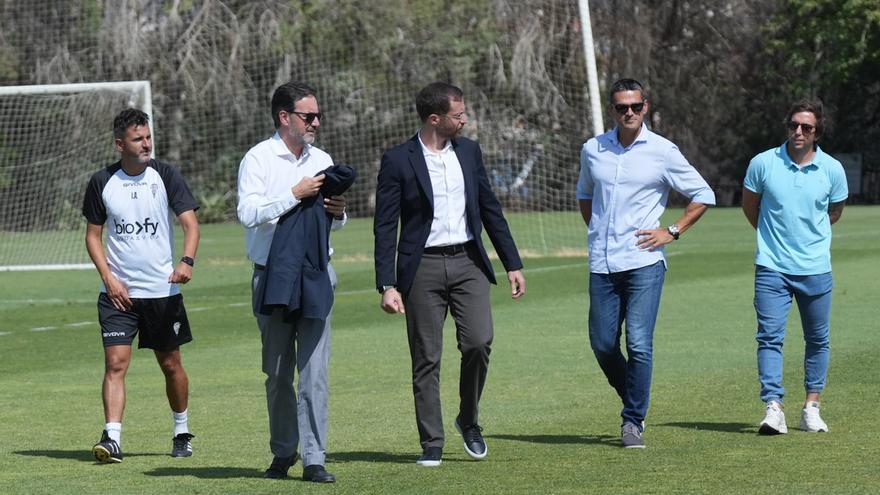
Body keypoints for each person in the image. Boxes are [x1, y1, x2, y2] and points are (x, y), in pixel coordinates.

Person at [374, 82, 526, 467]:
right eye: (458, 115)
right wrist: (386, 284)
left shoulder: (470, 152)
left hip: (469, 262)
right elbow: (385, 225)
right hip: (421, 268)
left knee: (478, 341)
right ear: (434, 118)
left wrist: (512, 262)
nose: (465, 120)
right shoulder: (397, 160)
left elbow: (490, 209)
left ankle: (468, 419)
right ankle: (432, 442)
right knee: (426, 356)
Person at [576, 78, 715, 448]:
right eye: (622, 107)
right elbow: (585, 195)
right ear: (612, 109)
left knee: (638, 343)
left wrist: (672, 230)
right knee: (604, 344)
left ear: (645, 107)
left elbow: (703, 194)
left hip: (644, 262)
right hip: (602, 264)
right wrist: (600, 232)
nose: (629, 113)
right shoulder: (593, 149)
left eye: (635, 106)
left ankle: (632, 420)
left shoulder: (663, 151)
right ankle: (634, 397)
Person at [237, 81, 347, 483]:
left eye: (317, 115)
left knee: (315, 373)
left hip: (317, 273)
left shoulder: (323, 157)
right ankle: (284, 453)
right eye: (309, 115)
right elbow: (248, 213)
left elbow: (333, 221)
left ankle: (315, 458)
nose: (317, 121)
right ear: (285, 117)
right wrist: (294, 193)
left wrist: (338, 210)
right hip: (272, 278)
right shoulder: (259, 158)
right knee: (278, 373)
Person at [82, 108, 200, 463]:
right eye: (138, 139)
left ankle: (181, 431)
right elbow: (93, 236)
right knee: (115, 364)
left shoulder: (165, 175)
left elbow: (190, 225)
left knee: (171, 365)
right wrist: (109, 278)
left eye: (148, 137)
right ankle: (112, 438)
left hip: (162, 294)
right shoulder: (102, 182)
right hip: (119, 295)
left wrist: (186, 261)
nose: (146, 143)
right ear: (120, 144)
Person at [742, 100, 847, 435]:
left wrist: (809, 241)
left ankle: (811, 407)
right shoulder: (763, 163)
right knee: (769, 338)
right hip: (771, 267)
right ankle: (773, 408)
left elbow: (834, 211)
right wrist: (773, 241)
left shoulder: (832, 169)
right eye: (793, 126)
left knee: (818, 339)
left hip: (816, 269)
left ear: (817, 132)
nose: (798, 132)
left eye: (807, 128)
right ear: (786, 126)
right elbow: (750, 207)